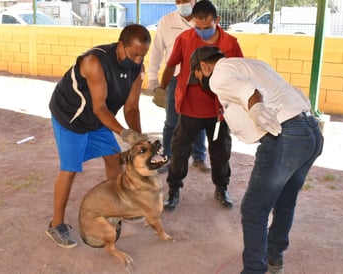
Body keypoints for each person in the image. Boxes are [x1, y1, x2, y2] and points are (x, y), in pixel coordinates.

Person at [189, 46, 324, 274]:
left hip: (285, 135)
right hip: (310, 132)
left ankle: (254, 270)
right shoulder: (253, 65)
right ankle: (274, 259)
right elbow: (293, 92)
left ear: (203, 66)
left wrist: (256, 107)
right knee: (284, 201)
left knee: (253, 210)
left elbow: (249, 92)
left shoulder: (219, 74)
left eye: (198, 76)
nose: (201, 81)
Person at [47, 24, 151, 248]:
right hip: (71, 117)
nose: (138, 60)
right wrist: (124, 133)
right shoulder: (94, 62)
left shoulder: (137, 66)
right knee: (70, 169)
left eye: (143, 55)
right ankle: (56, 224)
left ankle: (115, 208)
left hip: (98, 119)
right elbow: (100, 109)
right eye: (134, 54)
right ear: (121, 46)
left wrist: (139, 137)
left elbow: (131, 107)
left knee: (114, 159)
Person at [158, 0, 244, 210]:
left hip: (218, 112)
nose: (202, 32)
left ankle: (221, 188)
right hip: (189, 109)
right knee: (179, 151)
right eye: (198, 27)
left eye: (207, 28)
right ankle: (173, 190)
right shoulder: (185, 39)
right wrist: (161, 89)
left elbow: (240, 72)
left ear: (218, 21)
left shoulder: (230, 43)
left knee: (220, 151)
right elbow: (170, 65)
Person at [147, 0, 210, 173]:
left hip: (200, 79)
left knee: (199, 119)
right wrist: (153, 80)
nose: (182, 3)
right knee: (172, 121)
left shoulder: (204, 21)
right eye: (178, 0)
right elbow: (157, 52)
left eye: (186, 0)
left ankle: (199, 157)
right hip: (174, 79)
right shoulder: (166, 21)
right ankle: (167, 157)